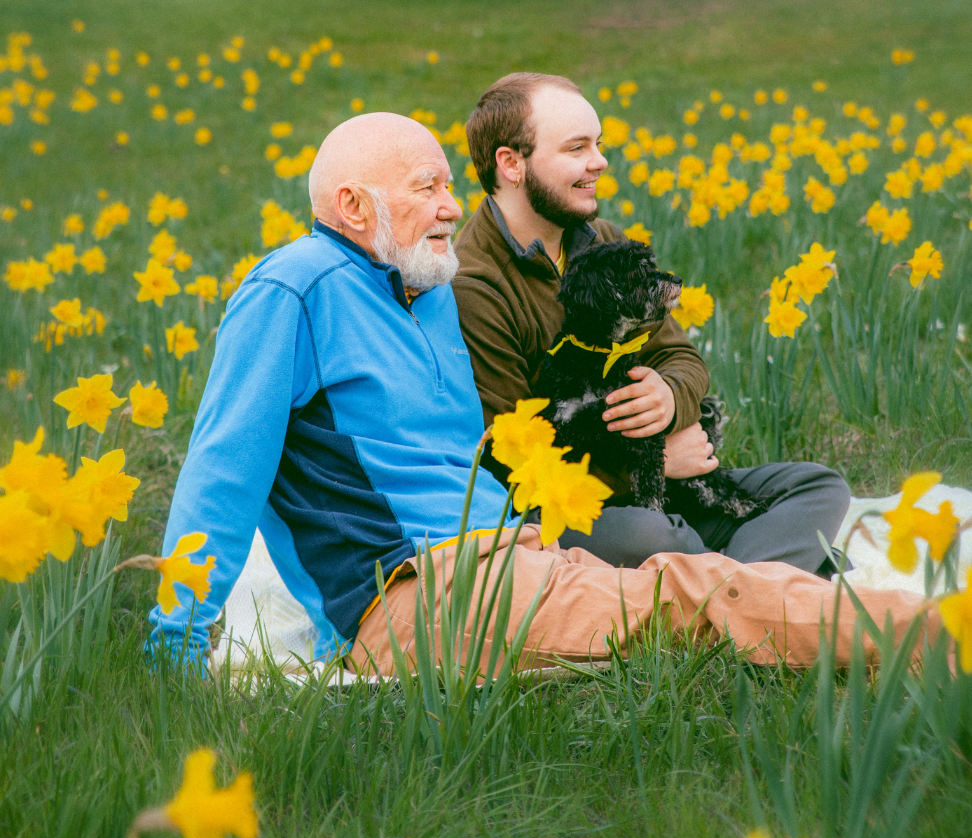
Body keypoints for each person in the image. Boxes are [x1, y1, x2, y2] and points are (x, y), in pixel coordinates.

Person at [147, 111, 941, 673]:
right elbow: (225, 467)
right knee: (689, 597)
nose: (451, 207)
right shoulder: (293, 290)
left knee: (690, 586)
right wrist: (174, 641)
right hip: (414, 596)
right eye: (426, 188)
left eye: (451, 185)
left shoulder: (421, 297)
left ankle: (901, 635)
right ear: (353, 206)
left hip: (508, 559)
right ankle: (940, 643)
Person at [453, 73, 851, 576]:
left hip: (661, 482)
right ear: (511, 163)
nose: (599, 161)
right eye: (577, 148)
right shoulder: (476, 285)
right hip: (565, 512)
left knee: (818, 486)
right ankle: (769, 576)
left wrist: (668, 394)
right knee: (655, 535)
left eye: (598, 144)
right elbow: (510, 459)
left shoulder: (600, 239)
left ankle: (732, 581)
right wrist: (649, 462)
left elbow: (680, 357)